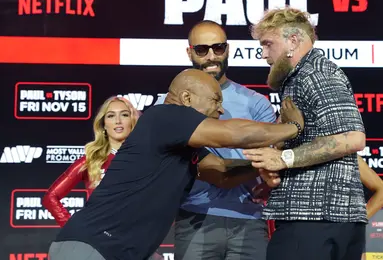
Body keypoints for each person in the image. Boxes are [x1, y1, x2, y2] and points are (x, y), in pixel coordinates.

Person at [48, 69, 304, 260]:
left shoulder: (178, 142)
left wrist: (270, 157)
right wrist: (292, 128)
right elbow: (234, 134)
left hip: (116, 250)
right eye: (215, 101)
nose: (221, 110)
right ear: (186, 98)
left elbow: (223, 173)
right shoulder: (166, 116)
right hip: (92, 248)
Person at [244, 7, 367, 260]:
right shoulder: (299, 77)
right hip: (321, 218)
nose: (263, 54)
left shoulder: (314, 73)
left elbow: (353, 137)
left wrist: (284, 159)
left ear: (293, 41)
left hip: (315, 220)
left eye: (268, 44)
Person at [155, 20, 275, 259]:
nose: (211, 56)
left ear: (227, 49)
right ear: (190, 52)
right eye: (202, 50)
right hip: (194, 218)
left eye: (218, 48)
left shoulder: (257, 103)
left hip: (249, 221)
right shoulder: (167, 106)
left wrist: (267, 177)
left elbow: (269, 160)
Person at [43, 96, 140, 226]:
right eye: (111, 116)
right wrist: (74, 229)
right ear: (104, 124)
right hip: (99, 240)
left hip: (136, 241)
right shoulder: (91, 161)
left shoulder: (146, 159)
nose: (118, 121)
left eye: (124, 115)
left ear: (132, 121)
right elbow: (51, 198)